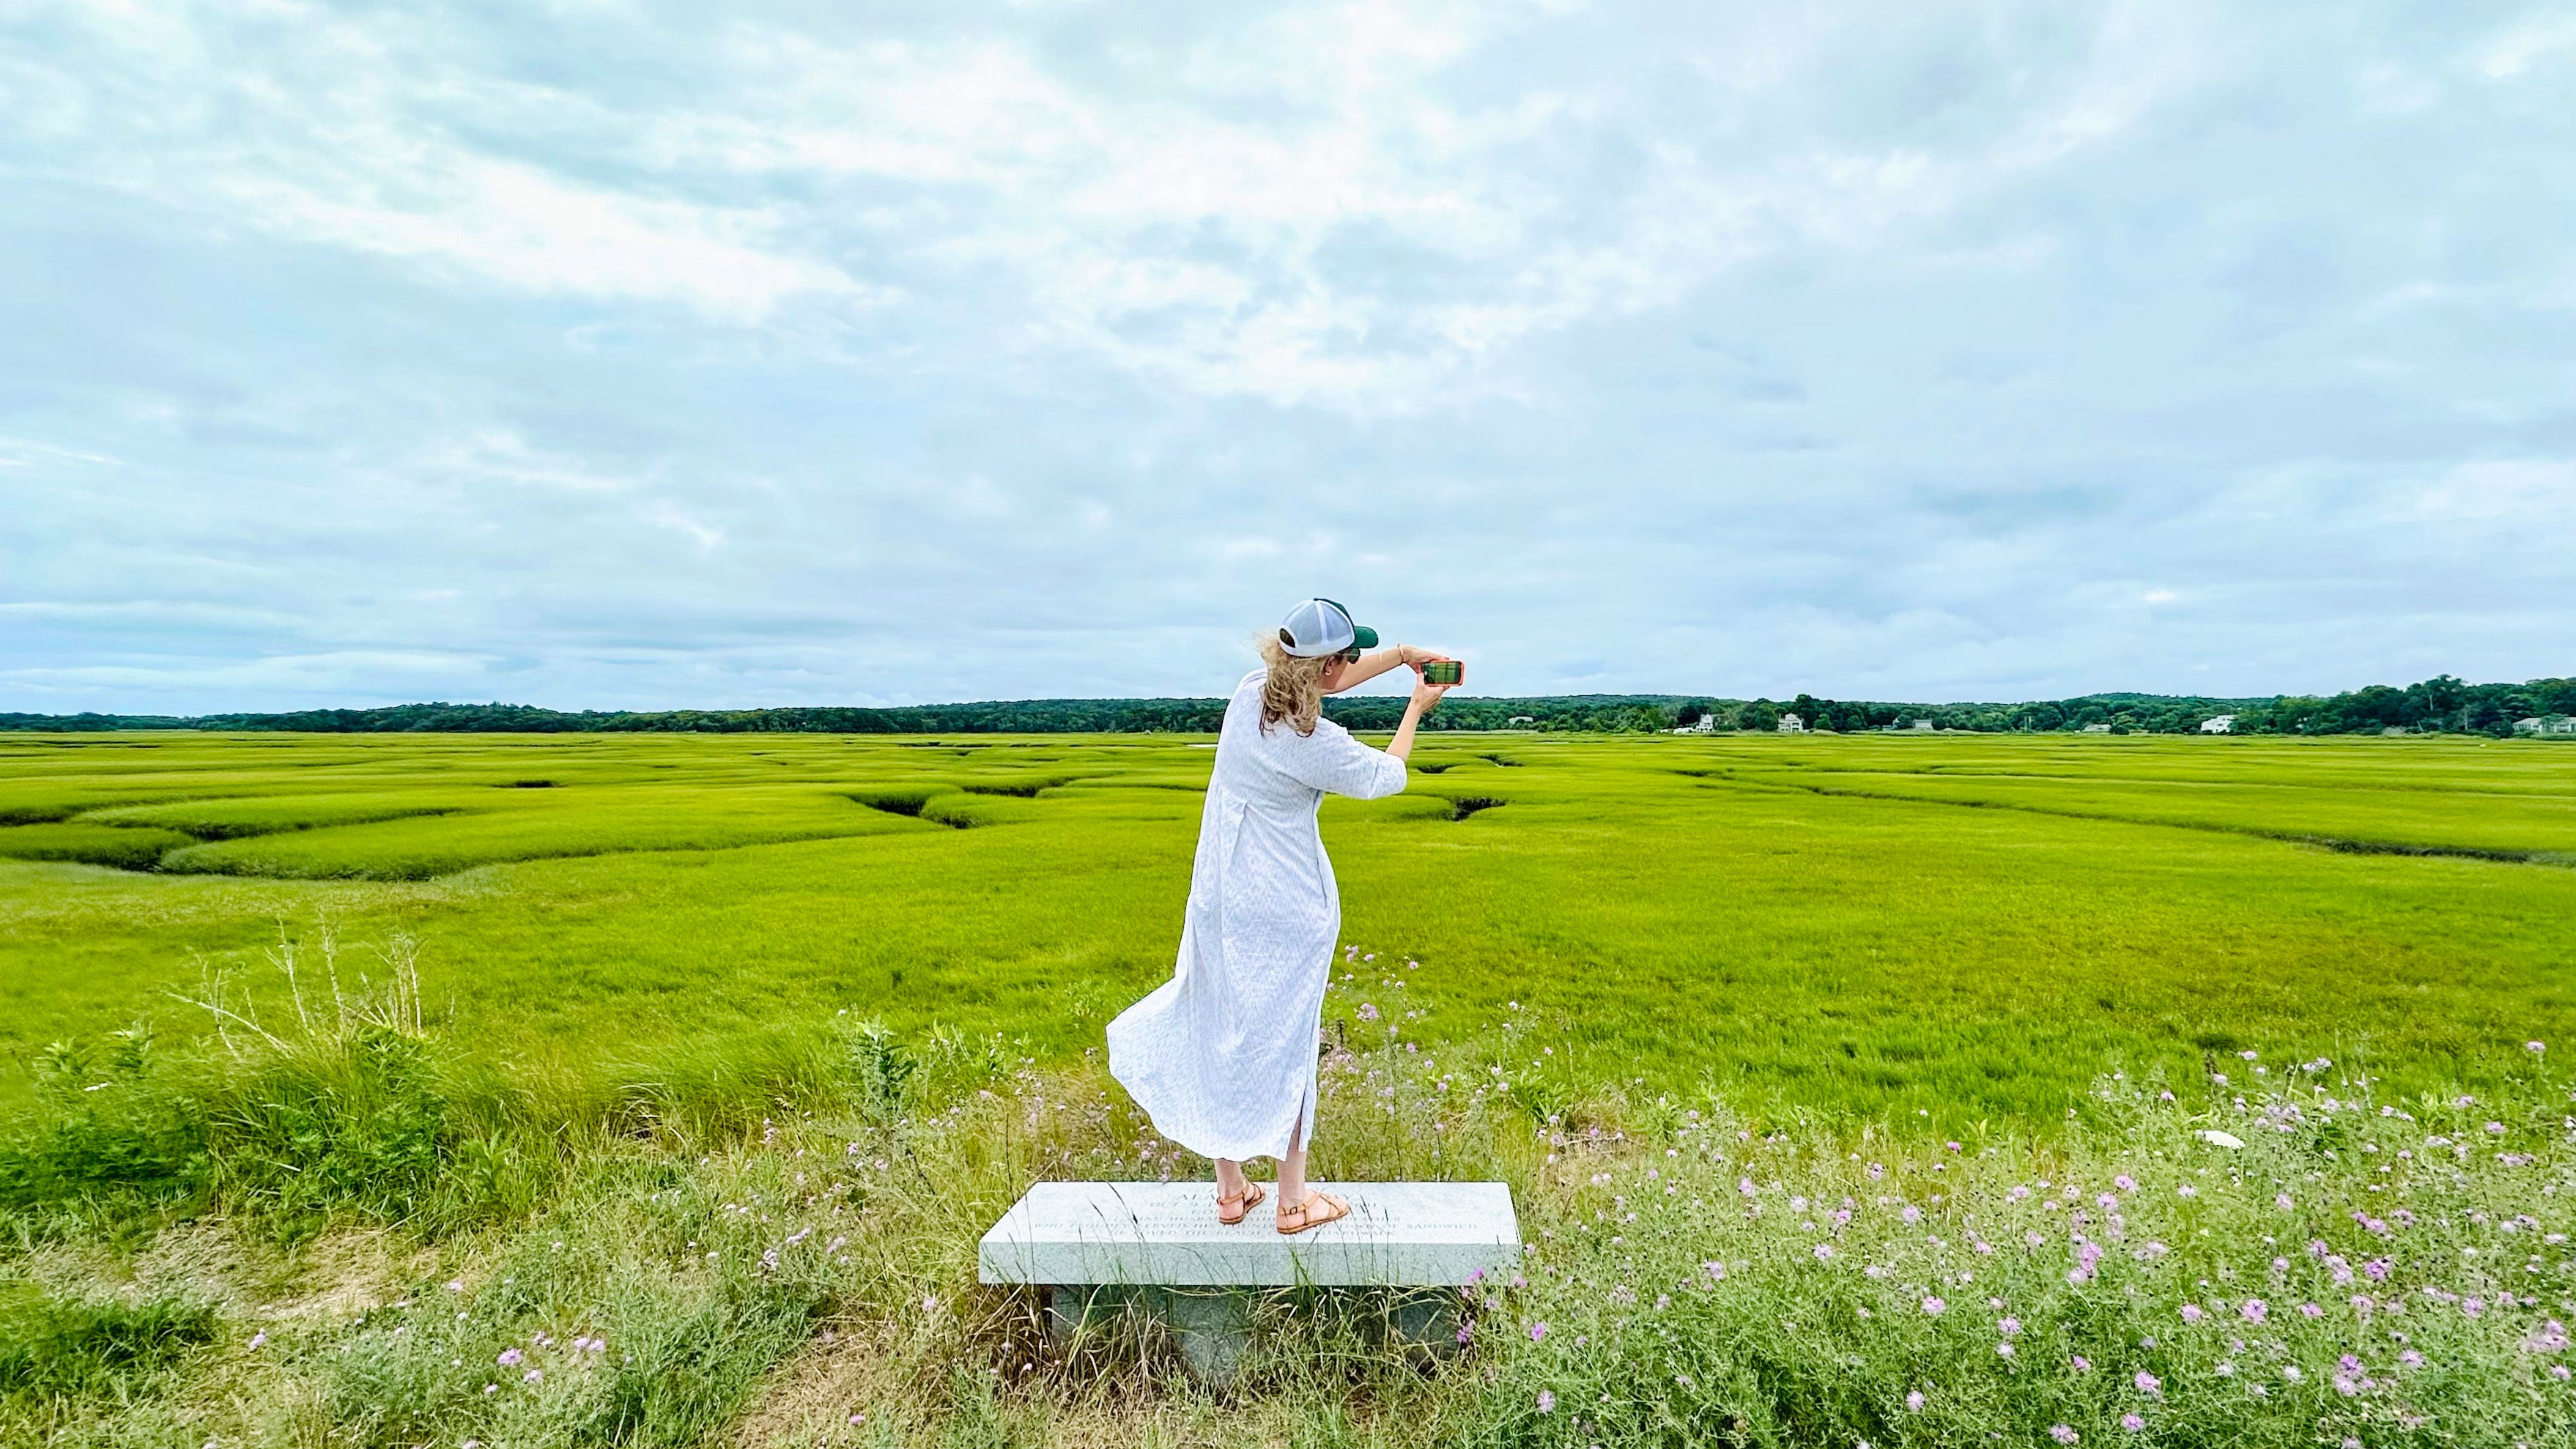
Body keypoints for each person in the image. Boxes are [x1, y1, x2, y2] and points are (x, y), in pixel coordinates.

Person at [1106, 599, 1454, 1234]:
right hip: (1286, 911)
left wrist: (1401, 656)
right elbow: (1387, 776)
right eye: (1348, 659)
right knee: (1288, 1044)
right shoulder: (1312, 744)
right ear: (1326, 669)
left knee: (1218, 1027)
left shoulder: (1247, 698)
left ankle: (1232, 1190)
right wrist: (1414, 708)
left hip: (1218, 900)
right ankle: (1295, 1202)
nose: (1351, 668)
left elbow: (1327, 679)